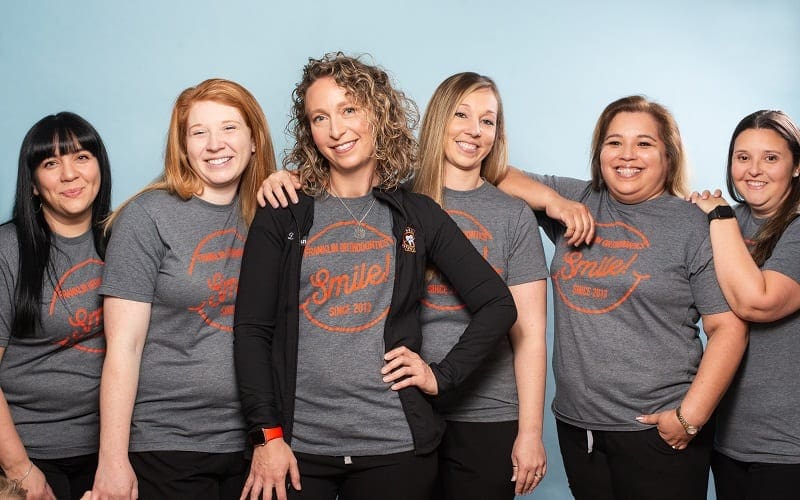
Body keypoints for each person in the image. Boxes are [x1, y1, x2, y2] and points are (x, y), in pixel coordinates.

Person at [233, 53, 516, 500]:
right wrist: (267, 437)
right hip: (298, 450)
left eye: (349, 110)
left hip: (396, 448)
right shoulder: (282, 213)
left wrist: (441, 376)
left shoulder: (416, 214)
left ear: (378, 113)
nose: (336, 130)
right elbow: (251, 331)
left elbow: (499, 304)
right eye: (319, 117)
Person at [498, 95, 748, 500]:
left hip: (659, 430)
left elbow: (728, 329)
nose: (627, 155)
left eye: (644, 143)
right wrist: (555, 202)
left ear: (669, 155)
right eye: (614, 143)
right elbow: (494, 173)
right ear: (599, 153)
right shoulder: (576, 202)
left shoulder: (693, 225)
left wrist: (689, 418)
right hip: (579, 429)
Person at [85, 79, 276, 500]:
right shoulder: (146, 218)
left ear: (254, 140)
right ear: (183, 146)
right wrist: (112, 461)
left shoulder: (273, 215)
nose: (214, 144)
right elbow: (124, 347)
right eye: (198, 132)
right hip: (167, 442)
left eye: (228, 128)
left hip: (257, 444)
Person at [406, 72, 548, 498]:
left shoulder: (513, 215)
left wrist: (530, 433)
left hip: (489, 415)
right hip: (407, 409)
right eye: (461, 114)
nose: (474, 130)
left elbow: (530, 335)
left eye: (488, 121)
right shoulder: (399, 202)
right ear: (438, 121)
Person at [0, 112, 112, 500]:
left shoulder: (127, 238)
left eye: (81, 157)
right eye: (51, 163)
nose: (69, 174)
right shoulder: (7, 250)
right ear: (32, 183)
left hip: (109, 451)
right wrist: (20, 470)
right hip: (24, 452)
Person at [689, 110, 800, 500]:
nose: (754, 170)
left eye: (771, 157)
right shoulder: (727, 222)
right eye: (742, 157)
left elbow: (759, 302)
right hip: (727, 439)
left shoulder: (793, 227)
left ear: (797, 166)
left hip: (789, 449)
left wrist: (718, 217)